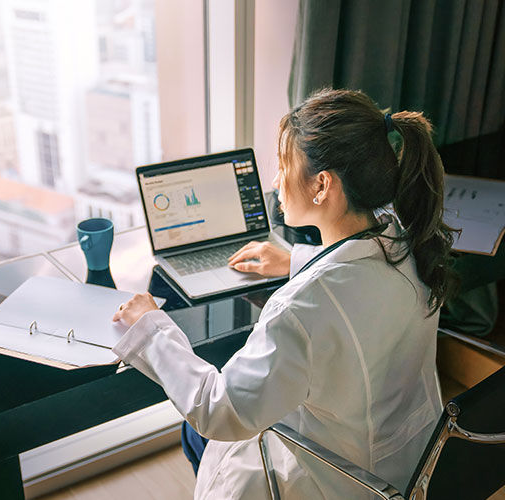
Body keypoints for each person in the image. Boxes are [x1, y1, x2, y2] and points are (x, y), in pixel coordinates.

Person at [111, 88, 458, 499]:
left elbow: (219, 412)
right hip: (411, 465)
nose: (275, 181)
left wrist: (151, 329)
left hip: (343, 480)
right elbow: (355, 281)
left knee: (195, 431)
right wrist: (295, 260)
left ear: (322, 185)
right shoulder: (406, 241)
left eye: (283, 165)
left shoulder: (299, 307)